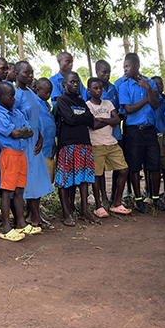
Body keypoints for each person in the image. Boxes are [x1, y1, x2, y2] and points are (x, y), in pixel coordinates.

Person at [118, 53, 163, 213]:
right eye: (124, 66)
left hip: (150, 130)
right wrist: (146, 98)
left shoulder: (150, 83)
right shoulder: (124, 86)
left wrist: (149, 89)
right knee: (135, 167)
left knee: (154, 165)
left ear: (136, 66)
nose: (125, 69)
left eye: (128, 66)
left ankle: (156, 199)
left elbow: (156, 105)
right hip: (133, 131)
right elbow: (128, 109)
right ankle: (138, 200)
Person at [14, 61, 53, 230]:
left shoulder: (30, 91)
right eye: (26, 73)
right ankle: (30, 217)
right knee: (27, 179)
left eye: (31, 73)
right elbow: (13, 118)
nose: (30, 76)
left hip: (36, 140)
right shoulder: (14, 94)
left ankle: (35, 215)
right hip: (23, 142)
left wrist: (40, 136)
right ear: (16, 73)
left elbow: (35, 118)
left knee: (36, 178)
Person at [0, 82, 34, 240]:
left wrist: (20, 131)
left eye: (14, 95)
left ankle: (21, 224)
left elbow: (28, 132)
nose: (14, 99)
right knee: (7, 192)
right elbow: (16, 134)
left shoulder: (17, 112)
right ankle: (6, 227)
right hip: (9, 155)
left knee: (19, 190)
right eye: (10, 96)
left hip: (20, 154)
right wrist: (20, 131)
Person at [55, 72, 98, 226]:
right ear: (64, 84)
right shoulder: (62, 101)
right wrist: (83, 118)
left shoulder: (81, 102)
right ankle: (66, 214)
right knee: (64, 181)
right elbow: (70, 119)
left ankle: (84, 210)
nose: (75, 85)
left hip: (84, 144)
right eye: (72, 82)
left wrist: (80, 118)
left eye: (77, 82)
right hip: (68, 145)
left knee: (84, 179)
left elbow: (91, 120)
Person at [87, 77, 130, 216]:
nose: (99, 90)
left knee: (124, 169)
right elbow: (93, 125)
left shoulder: (108, 103)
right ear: (89, 90)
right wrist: (109, 121)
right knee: (97, 175)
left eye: (100, 88)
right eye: (95, 88)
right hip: (96, 144)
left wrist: (101, 119)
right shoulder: (87, 105)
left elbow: (117, 120)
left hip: (111, 143)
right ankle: (99, 206)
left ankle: (117, 203)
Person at [152, 76, 165, 207]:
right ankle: (151, 193)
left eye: (161, 84)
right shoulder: (149, 101)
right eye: (156, 84)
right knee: (152, 167)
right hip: (152, 135)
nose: (160, 86)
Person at [36, 78, 57, 183]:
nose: (49, 95)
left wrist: (54, 144)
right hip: (40, 149)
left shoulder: (47, 105)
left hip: (49, 147)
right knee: (39, 180)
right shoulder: (35, 104)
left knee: (48, 179)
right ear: (37, 90)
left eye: (50, 92)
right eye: (46, 92)